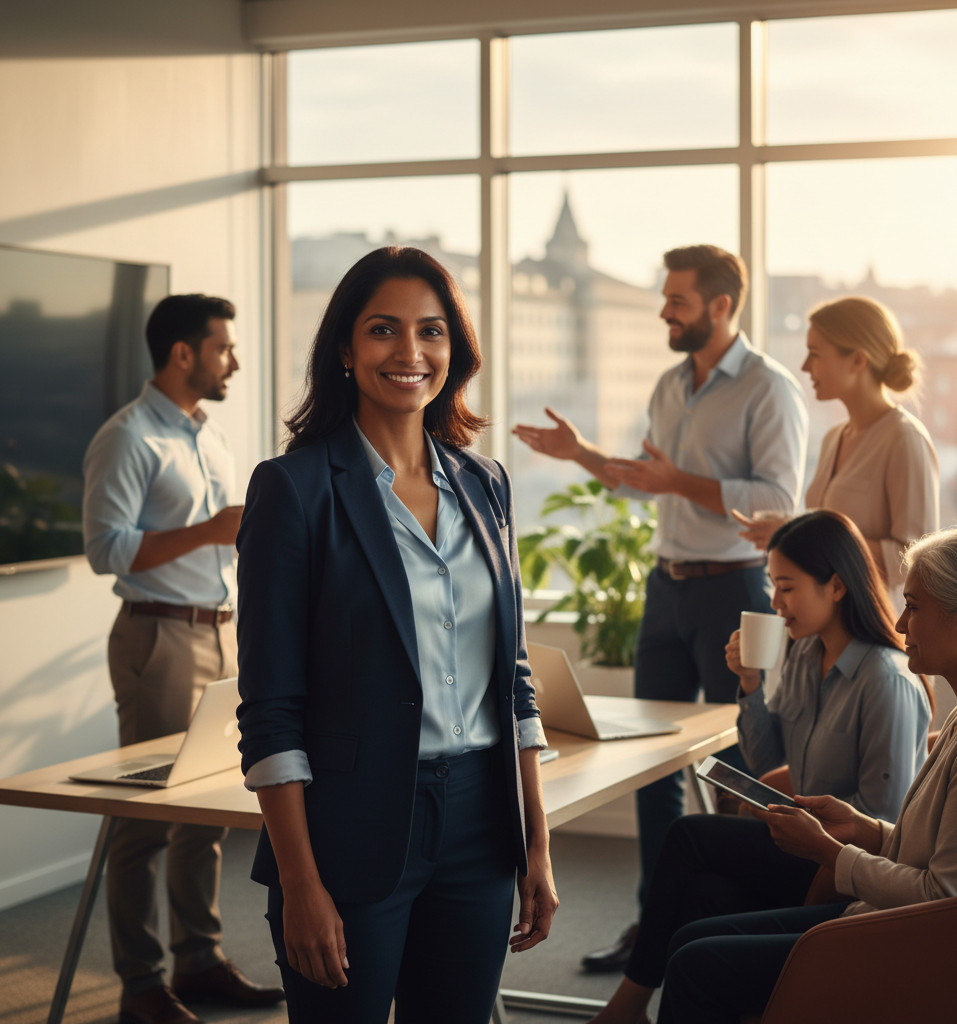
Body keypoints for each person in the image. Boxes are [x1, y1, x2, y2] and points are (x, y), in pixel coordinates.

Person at [235, 247, 559, 1024]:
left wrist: (537, 844)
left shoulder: (486, 483)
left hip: (483, 821)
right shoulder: (294, 490)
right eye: (384, 330)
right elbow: (271, 709)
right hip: (351, 826)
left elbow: (510, 676)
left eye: (432, 331)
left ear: (456, 349)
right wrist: (302, 886)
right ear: (345, 349)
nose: (410, 353)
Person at [514, 244, 808, 971]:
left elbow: (777, 500)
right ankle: (654, 923)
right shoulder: (669, 385)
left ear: (720, 305)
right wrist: (582, 453)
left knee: (740, 759)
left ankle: (734, 919)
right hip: (667, 586)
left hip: (736, 588)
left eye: (676, 301)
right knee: (650, 762)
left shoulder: (769, 389)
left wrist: (680, 479)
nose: (663, 313)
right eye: (665, 299)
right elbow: (649, 482)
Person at [657, 526, 957, 1024]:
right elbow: (939, 854)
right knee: (690, 940)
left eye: (913, 607)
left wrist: (830, 851)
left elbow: (945, 902)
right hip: (886, 919)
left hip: (912, 949)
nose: (899, 621)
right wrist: (866, 829)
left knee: (694, 965)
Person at [587, 510, 932, 1024]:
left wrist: (805, 830)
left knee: (688, 835)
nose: (774, 603)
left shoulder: (886, 681)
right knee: (701, 892)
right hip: (801, 849)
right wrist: (749, 686)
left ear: (836, 586)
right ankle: (652, 1005)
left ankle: (627, 1005)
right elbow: (770, 760)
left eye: (787, 587)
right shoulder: (802, 655)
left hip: (840, 865)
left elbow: (882, 818)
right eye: (773, 586)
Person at [83, 295, 283, 1024]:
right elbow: (106, 550)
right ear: (182, 354)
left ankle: (198, 961)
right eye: (224, 348)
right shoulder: (128, 437)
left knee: (204, 810)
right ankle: (141, 985)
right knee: (144, 818)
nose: (233, 360)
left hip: (218, 635)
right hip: (159, 638)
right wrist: (207, 532)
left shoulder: (210, 436)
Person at [734, 295, 939, 611]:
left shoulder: (904, 440)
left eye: (815, 354)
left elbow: (915, 562)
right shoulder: (833, 438)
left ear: (857, 361)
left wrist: (797, 536)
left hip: (875, 630)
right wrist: (793, 529)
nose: (805, 366)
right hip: (827, 628)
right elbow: (832, 532)